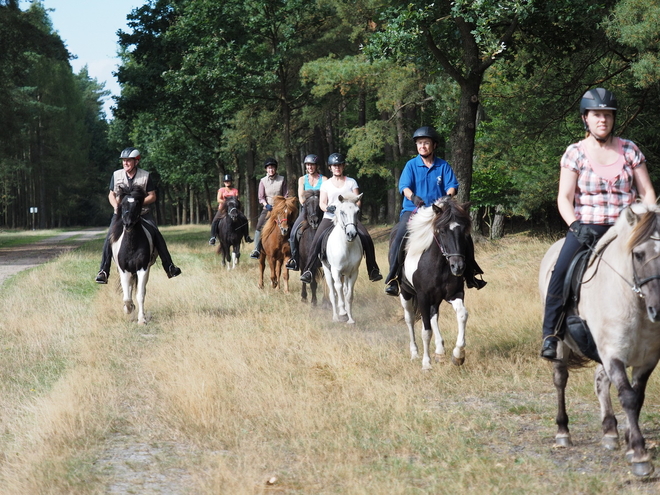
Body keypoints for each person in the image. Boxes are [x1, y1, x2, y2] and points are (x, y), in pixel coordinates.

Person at [540, 88, 656, 360]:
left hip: (627, 229)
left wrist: (647, 218)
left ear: (614, 118)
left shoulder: (630, 150)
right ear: (586, 119)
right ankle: (551, 333)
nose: (602, 119)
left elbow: (647, 191)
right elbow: (564, 198)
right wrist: (574, 224)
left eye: (607, 115)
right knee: (560, 271)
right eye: (596, 115)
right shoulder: (575, 153)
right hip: (588, 228)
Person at [384, 126, 485, 296]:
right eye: (419, 143)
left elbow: (452, 186)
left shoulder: (442, 165)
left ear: (434, 145)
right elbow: (404, 187)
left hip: (439, 212)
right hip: (414, 211)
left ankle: (470, 274)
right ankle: (394, 277)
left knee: (464, 236)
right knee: (399, 234)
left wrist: (447, 197)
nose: (422, 146)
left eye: (426, 143)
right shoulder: (411, 165)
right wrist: (413, 197)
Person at [95, 147, 182, 284]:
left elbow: (152, 196)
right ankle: (103, 271)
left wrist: (137, 205)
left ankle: (169, 266)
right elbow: (111, 194)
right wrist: (116, 207)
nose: (125, 163)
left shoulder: (145, 176)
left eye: (128, 161)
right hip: (121, 214)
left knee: (156, 234)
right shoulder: (117, 175)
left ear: (136, 161)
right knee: (109, 237)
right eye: (123, 161)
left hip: (142, 213)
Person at [299, 153, 383, 284]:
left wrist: (350, 206)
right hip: (330, 217)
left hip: (349, 217)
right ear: (330, 168)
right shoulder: (326, 184)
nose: (337, 168)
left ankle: (373, 269)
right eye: (334, 166)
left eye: (339, 165)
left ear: (343, 166)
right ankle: (309, 270)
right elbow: (322, 203)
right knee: (316, 240)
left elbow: (358, 200)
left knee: (366, 237)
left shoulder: (351, 182)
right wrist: (329, 208)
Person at [285, 154, 325, 270]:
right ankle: (294, 259)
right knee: (293, 233)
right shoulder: (302, 179)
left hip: (321, 210)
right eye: (308, 165)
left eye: (312, 165)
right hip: (306, 211)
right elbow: (301, 197)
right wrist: (308, 204)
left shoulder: (324, 179)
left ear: (316, 166)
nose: (310, 167)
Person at [250, 157, 288, 259]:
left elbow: (286, 195)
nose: (271, 170)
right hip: (268, 208)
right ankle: (256, 249)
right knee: (259, 226)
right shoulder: (263, 181)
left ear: (276, 169)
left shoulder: (282, 179)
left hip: (280, 209)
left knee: (290, 224)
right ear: (266, 169)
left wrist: (282, 205)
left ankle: (292, 249)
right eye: (269, 168)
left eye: (273, 168)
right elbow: (261, 197)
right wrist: (266, 205)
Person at [209, 173, 239, 246]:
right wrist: (227, 202)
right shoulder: (221, 190)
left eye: (228, 181)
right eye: (226, 181)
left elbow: (237, 199)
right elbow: (218, 199)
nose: (227, 182)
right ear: (224, 182)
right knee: (215, 221)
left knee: (244, 219)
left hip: (233, 209)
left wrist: (234, 203)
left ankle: (246, 236)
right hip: (223, 209)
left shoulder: (235, 190)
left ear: (231, 182)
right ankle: (213, 237)